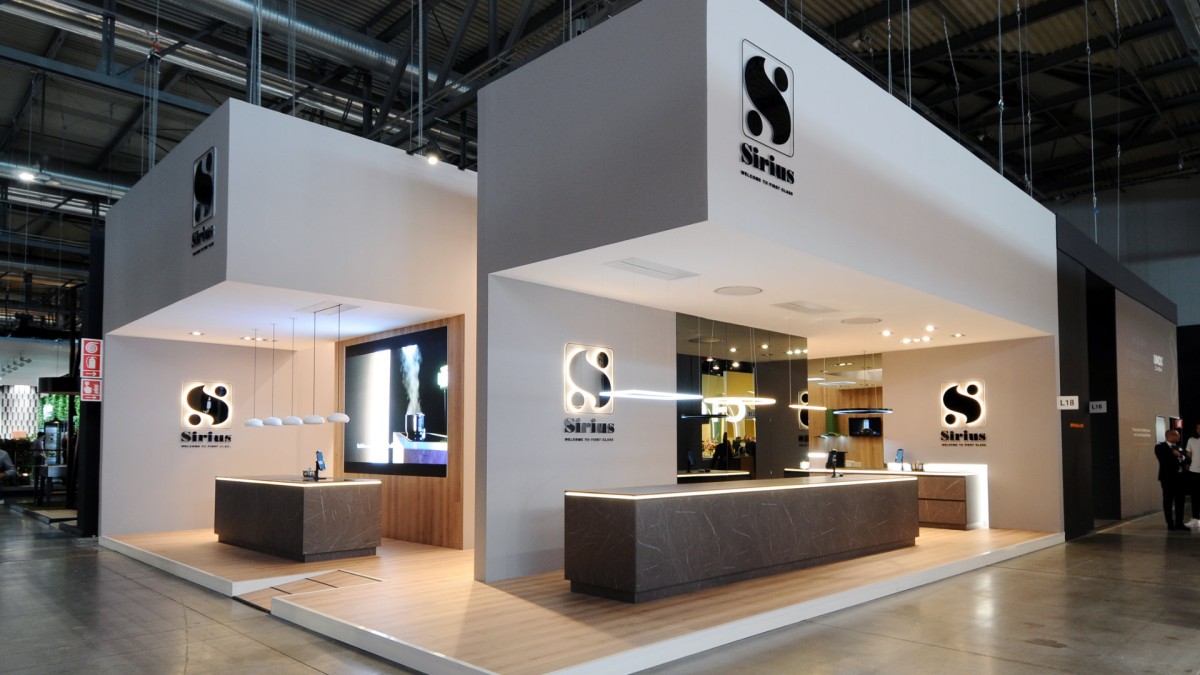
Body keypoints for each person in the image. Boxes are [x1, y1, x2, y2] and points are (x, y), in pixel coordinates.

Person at [1155, 430, 1188, 530]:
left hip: (1180, 478)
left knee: (1180, 501)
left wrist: (1180, 455)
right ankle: (1170, 523)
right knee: (1168, 501)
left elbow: (1188, 459)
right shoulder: (1160, 447)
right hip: (1167, 478)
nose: (1179, 437)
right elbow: (1164, 461)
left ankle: (1179, 523)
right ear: (1171, 436)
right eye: (1177, 436)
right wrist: (1176, 456)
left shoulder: (1179, 447)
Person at [1187, 423, 1200, 527]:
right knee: (1195, 496)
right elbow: (1189, 454)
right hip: (1194, 471)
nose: (1199, 429)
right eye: (1198, 428)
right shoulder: (1191, 440)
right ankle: (1195, 519)